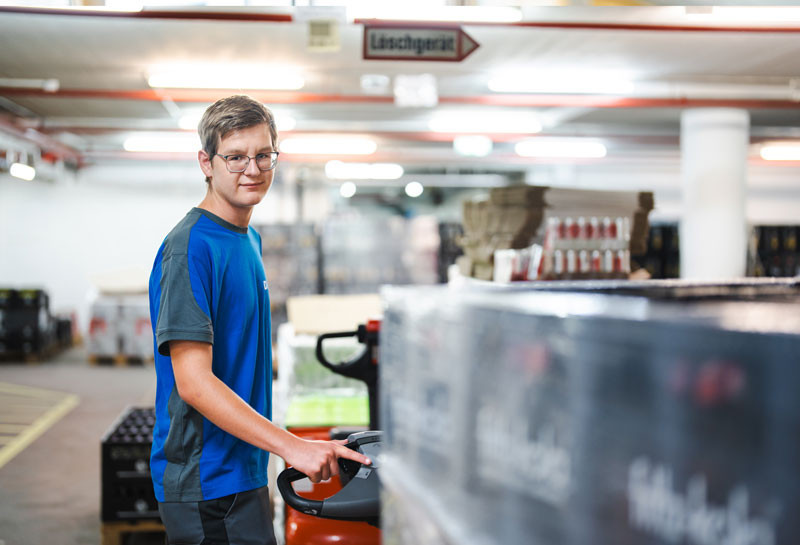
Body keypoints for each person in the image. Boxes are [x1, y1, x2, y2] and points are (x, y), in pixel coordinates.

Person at [148, 95, 371, 545]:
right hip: (207, 481)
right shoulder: (191, 248)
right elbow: (194, 383)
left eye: (263, 155)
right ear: (206, 163)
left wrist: (282, 444)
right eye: (235, 157)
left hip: (243, 467)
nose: (252, 169)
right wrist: (291, 446)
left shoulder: (248, 237)